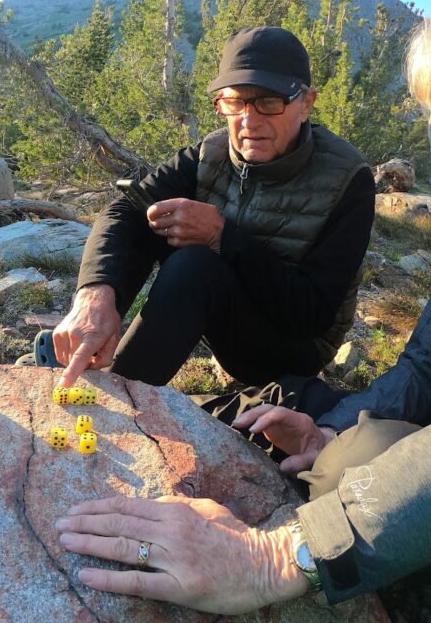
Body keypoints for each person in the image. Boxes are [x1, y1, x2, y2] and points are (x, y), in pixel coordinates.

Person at [55, 0, 431, 620]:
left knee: (361, 467)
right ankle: (115, 397)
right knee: (347, 455)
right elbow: (425, 366)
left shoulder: (353, 178)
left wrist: (278, 557)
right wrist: (331, 430)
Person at [50, 26, 375, 390]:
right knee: (151, 220)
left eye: (269, 102)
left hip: (293, 349)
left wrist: (224, 238)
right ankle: (92, 343)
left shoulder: (347, 178)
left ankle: (120, 393)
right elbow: (126, 211)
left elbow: (313, 314)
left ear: (306, 104)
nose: (249, 121)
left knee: (196, 265)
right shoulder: (212, 153)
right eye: (235, 102)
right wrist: (96, 294)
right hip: (225, 310)